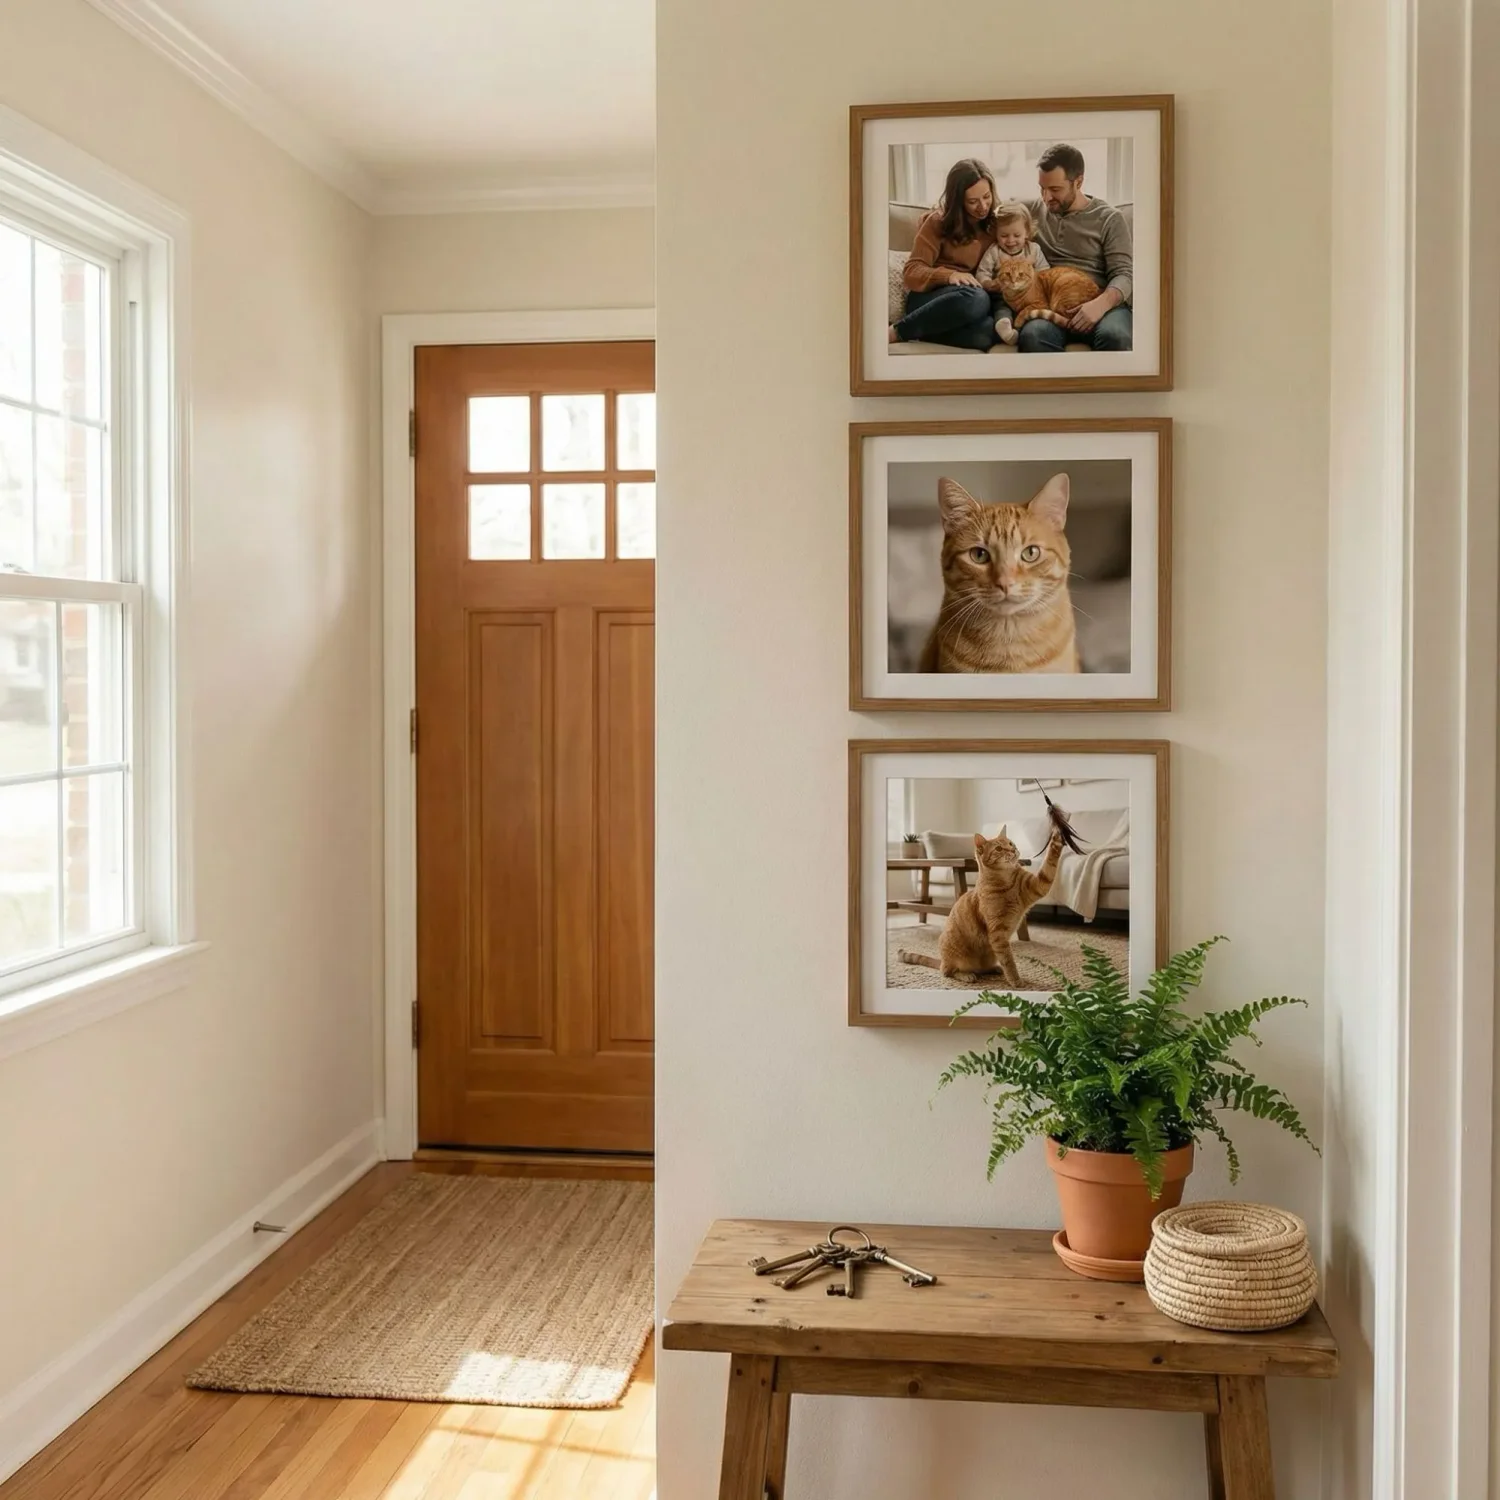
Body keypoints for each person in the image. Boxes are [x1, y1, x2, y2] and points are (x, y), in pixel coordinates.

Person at [1001, 142, 1133, 353]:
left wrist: (1101, 304)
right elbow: (996, 210)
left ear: (1078, 182)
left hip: (1100, 303)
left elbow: (1125, 274)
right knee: (1033, 336)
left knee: (1115, 337)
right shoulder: (1034, 209)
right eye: (1042, 189)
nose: (1046, 198)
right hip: (1051, 301)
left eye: (1055, 189)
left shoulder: (1109, 218)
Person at [889, 158, 1000, 351]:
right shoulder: (937, 222)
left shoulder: (996, 226)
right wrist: (950, 276)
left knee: (987, 332)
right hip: (930, 299)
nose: (983, 206)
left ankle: (922, 330)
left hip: (964, 306)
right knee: (977, 297)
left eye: (987, 196)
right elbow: (912, 271)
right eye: (973, 201)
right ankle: (899, 331)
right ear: (958, 201)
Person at [975, 201, 1050, 346]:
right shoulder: (994, 251)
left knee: (1034, 307)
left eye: (1016, 235)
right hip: (1003, 294)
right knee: (1001, 307)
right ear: (996, 233)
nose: (1010, 241)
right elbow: (982, 272)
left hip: (1028, 296)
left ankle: (1021, 326)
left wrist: (1032, 278)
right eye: (1004, 235)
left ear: (1027, 232)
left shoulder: (1033, 250)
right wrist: (989, 283)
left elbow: (1045, 272)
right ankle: (1005, 327)